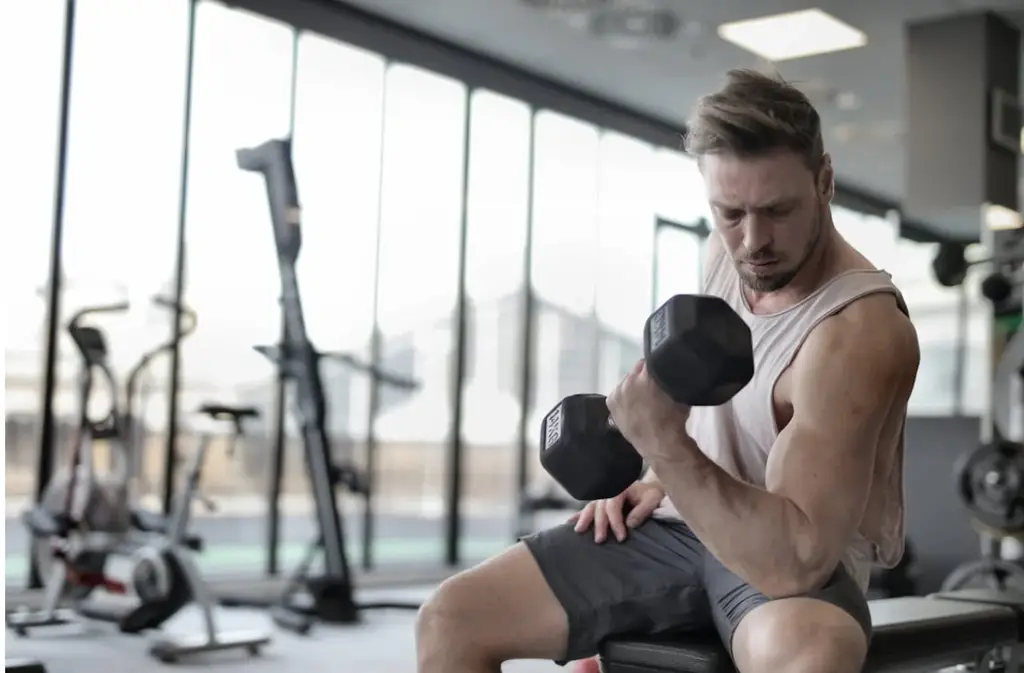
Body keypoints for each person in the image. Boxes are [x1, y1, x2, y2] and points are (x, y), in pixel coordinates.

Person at [415, 68, 920, 673]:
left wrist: (662, 445)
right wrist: (657, 479)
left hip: (782, 562)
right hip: (679, 525)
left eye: (778, 210)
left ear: (825, 181)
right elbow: (719, 419)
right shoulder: (724, 256)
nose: (753, 240)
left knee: (812, 655)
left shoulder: (857, 333)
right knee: (450, 618)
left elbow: (796, 560)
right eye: (730, 213)